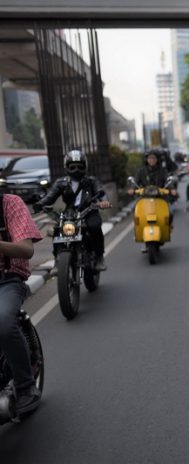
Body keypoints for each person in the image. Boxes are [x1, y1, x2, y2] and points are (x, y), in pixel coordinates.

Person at [0, 193, 43, 419]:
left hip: (7, 280)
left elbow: (26, 249)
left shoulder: (9, 204)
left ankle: (25, 386)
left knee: (4, 322)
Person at [33, 150, 111, 271]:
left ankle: (99, 257)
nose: (76, 170)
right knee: (58, 229)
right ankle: (58, 261)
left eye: (79, 166)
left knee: (95, 226)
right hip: (70, 213)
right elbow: (50, 197)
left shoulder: (91, 181)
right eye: (72, 167)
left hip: (89, 211)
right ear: (66, 167)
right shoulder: (61, 183)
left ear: (85, 166)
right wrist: (39, 204)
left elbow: (101, 192)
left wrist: (104, 201)